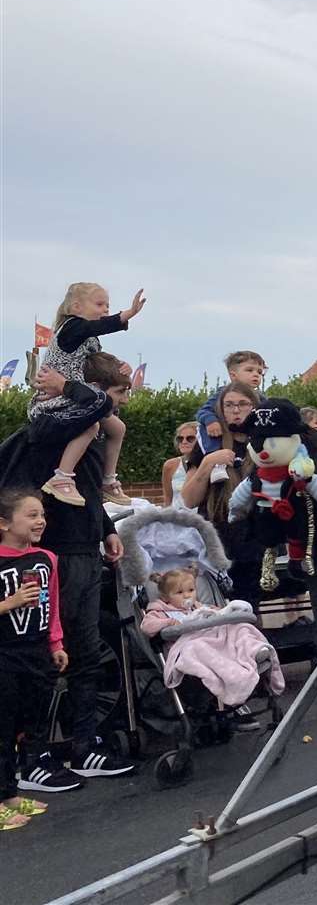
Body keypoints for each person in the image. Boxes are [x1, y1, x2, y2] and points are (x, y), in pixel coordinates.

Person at [10, 354, 135, 783]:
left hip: (83, 549)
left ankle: (84, 746)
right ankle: (33, 757)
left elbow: (86, 489)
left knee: (84, 655)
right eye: (115, 396)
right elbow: (95, 407)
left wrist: (104, 530)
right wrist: (69, 387)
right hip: (52, 554)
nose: (115, 408)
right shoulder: (51, 427)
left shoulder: (90, 436)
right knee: (45, 659)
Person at [29, 282, 146, 507]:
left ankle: (108, 480)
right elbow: (97, 327)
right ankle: (62, 477)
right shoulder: (72, 327)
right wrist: (127, 315)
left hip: (77, 399)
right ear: (76, 307)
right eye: (99, 304)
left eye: (108, 305)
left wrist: (122, 366)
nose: (105, 310)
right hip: (53, 403)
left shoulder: (90, 339)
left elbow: (99, 364)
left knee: (118, 427)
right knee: (90, 426)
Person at [1, 489, 72, 821]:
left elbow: (52, 605)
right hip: (5, 654)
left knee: (25, 724)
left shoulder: (46, 558)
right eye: (31, 515)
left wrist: (56, 643)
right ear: (3, 523)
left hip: (36, 651)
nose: (40, 520)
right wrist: (10, 603)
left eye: (41, 514)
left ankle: (11, 793)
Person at [139, 568, 282, 711]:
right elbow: (147, 626)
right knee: (197, 647)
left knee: (239, 629)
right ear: (165, 597)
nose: (187, 596)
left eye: (191, 590)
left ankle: (253, 650)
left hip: (215, 641)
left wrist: (220, 612)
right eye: (179, 593)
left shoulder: (199, 607)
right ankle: (228, 670)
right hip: (187, 645)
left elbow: (219, 613)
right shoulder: (161, 612)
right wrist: (168, 623)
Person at [180, 382, 263, 605]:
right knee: (217, 607)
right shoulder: (208, 444)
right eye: (229, 405)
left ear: (254, 406)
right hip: (216, 538)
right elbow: (189, 499)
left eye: (243, 404)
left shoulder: (264, 442)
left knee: (248, 607)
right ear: (220, 409)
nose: (236, 410)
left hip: (255, 537)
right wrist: (207, 464)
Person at [196, 352, 267, 454]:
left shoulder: (260, 397)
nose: (256, 374)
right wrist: (211, 421)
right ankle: (213, 453)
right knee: (204, 427)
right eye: (249, 370)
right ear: (233, 375)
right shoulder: (222, 394)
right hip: (223, 437)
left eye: (260, 372)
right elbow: (204, 411)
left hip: (248, 439)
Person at [161, 422, 199, 509]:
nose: (184, 442)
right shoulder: (170, 465)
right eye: (180, 439)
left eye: (190, 438)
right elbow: (168, 500)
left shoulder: (209, 463)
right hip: (177, 517)